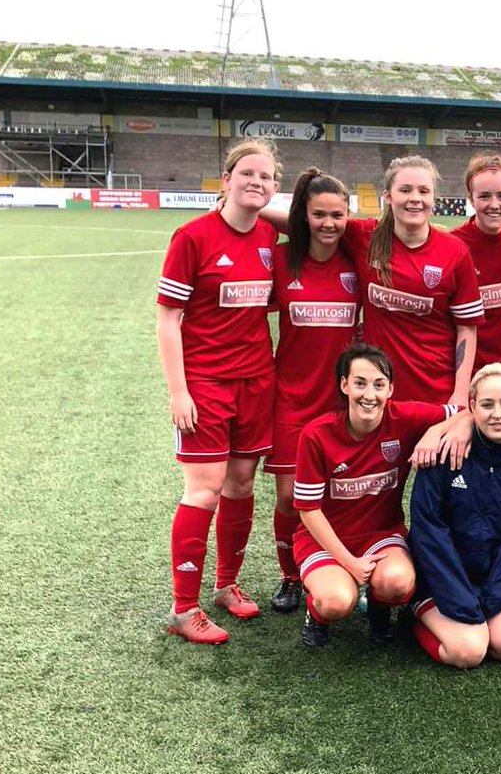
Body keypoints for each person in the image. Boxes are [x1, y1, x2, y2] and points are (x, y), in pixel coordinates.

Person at [157, 138, 281, 644]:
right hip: (205, 384)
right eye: (246, 173)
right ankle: (184, 608)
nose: (256, 181)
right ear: (225, 179)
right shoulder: (192, 237)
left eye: (266, 176)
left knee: (241, 485)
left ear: (275, 188)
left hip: (257, 380)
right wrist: (178, 391)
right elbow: (168, 319)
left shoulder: (271, 239)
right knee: (204, 489)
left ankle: (227, 585)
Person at [292, 342, 463, 649]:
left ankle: (379, 608)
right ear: (344, 385)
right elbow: (308, 510)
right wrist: (350, 562)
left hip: (381, 533)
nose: (369, 395)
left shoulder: (405, 417)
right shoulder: (316, 435)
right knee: (337, 601)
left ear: (390, 389)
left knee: (398, 583)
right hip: (325, 539)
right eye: (359, 383)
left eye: (378, 385)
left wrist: (434, 432)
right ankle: (316, 616)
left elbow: (466, 413)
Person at [408, 363, 501, 668]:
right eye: (487, 404)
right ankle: (416, 616)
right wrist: (460, 601)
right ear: (472, 407)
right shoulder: (444, 454)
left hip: (487, 577)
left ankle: (472, 620)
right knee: (468, 652)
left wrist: (494, 594)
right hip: (438, 577)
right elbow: (428, 532)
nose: (497, 413)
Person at [265, 168, 358, 613]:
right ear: (303, 215)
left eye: (337, 215)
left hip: (346, 402)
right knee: (289, 497)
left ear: (348, 216)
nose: (328, 223)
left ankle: (341, 564)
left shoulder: (358, 259)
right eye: (318, 214)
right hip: (292, 397)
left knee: (342, 494)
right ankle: (290, 576)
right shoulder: (280, 261)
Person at [337, 155, 484, 404]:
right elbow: (310, 223)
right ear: (388, 196)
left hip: (436, 391)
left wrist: (459, 394)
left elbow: (467, 328)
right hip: (378, 392)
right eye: (405, 190)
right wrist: (250, 206)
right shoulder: (364, 237)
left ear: (433, 199)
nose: (415, 198)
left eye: (423, 191)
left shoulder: (455, 252)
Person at [449, 153, 501, 380]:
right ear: (471, 199)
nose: (494, 205)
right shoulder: (453, 245)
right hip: (466, 372)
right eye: (484, 196)